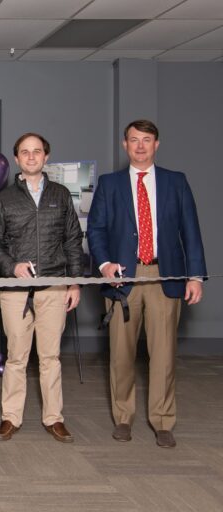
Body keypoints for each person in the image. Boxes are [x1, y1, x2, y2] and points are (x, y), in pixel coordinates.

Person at [87, 119, 206, 448]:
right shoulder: (109, 184)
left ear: (157, 144)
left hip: (164, 277)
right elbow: (95, 230)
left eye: (147, 140)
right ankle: (123, 418)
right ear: (124, 145)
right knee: (121, 355)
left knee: (164, 354)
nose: (140, 146)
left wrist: (195, 276)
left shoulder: (175, 182)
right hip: (121, 279)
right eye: (134, 140)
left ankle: (163, 421)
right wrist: (104, 263)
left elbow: (191, 232)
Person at [0, 133, 83, 443]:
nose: (30, 156)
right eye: (24, 152)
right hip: (15, 290)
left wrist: (75, 281)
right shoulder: (3, 199)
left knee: (50, 357)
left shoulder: (62, 195)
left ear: (46, 156)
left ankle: (54, 418)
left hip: (53, 285)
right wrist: (12, 266)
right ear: (16, 159)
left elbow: (73, 240)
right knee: (15, 357)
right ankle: (10, 417)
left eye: (36, 151)